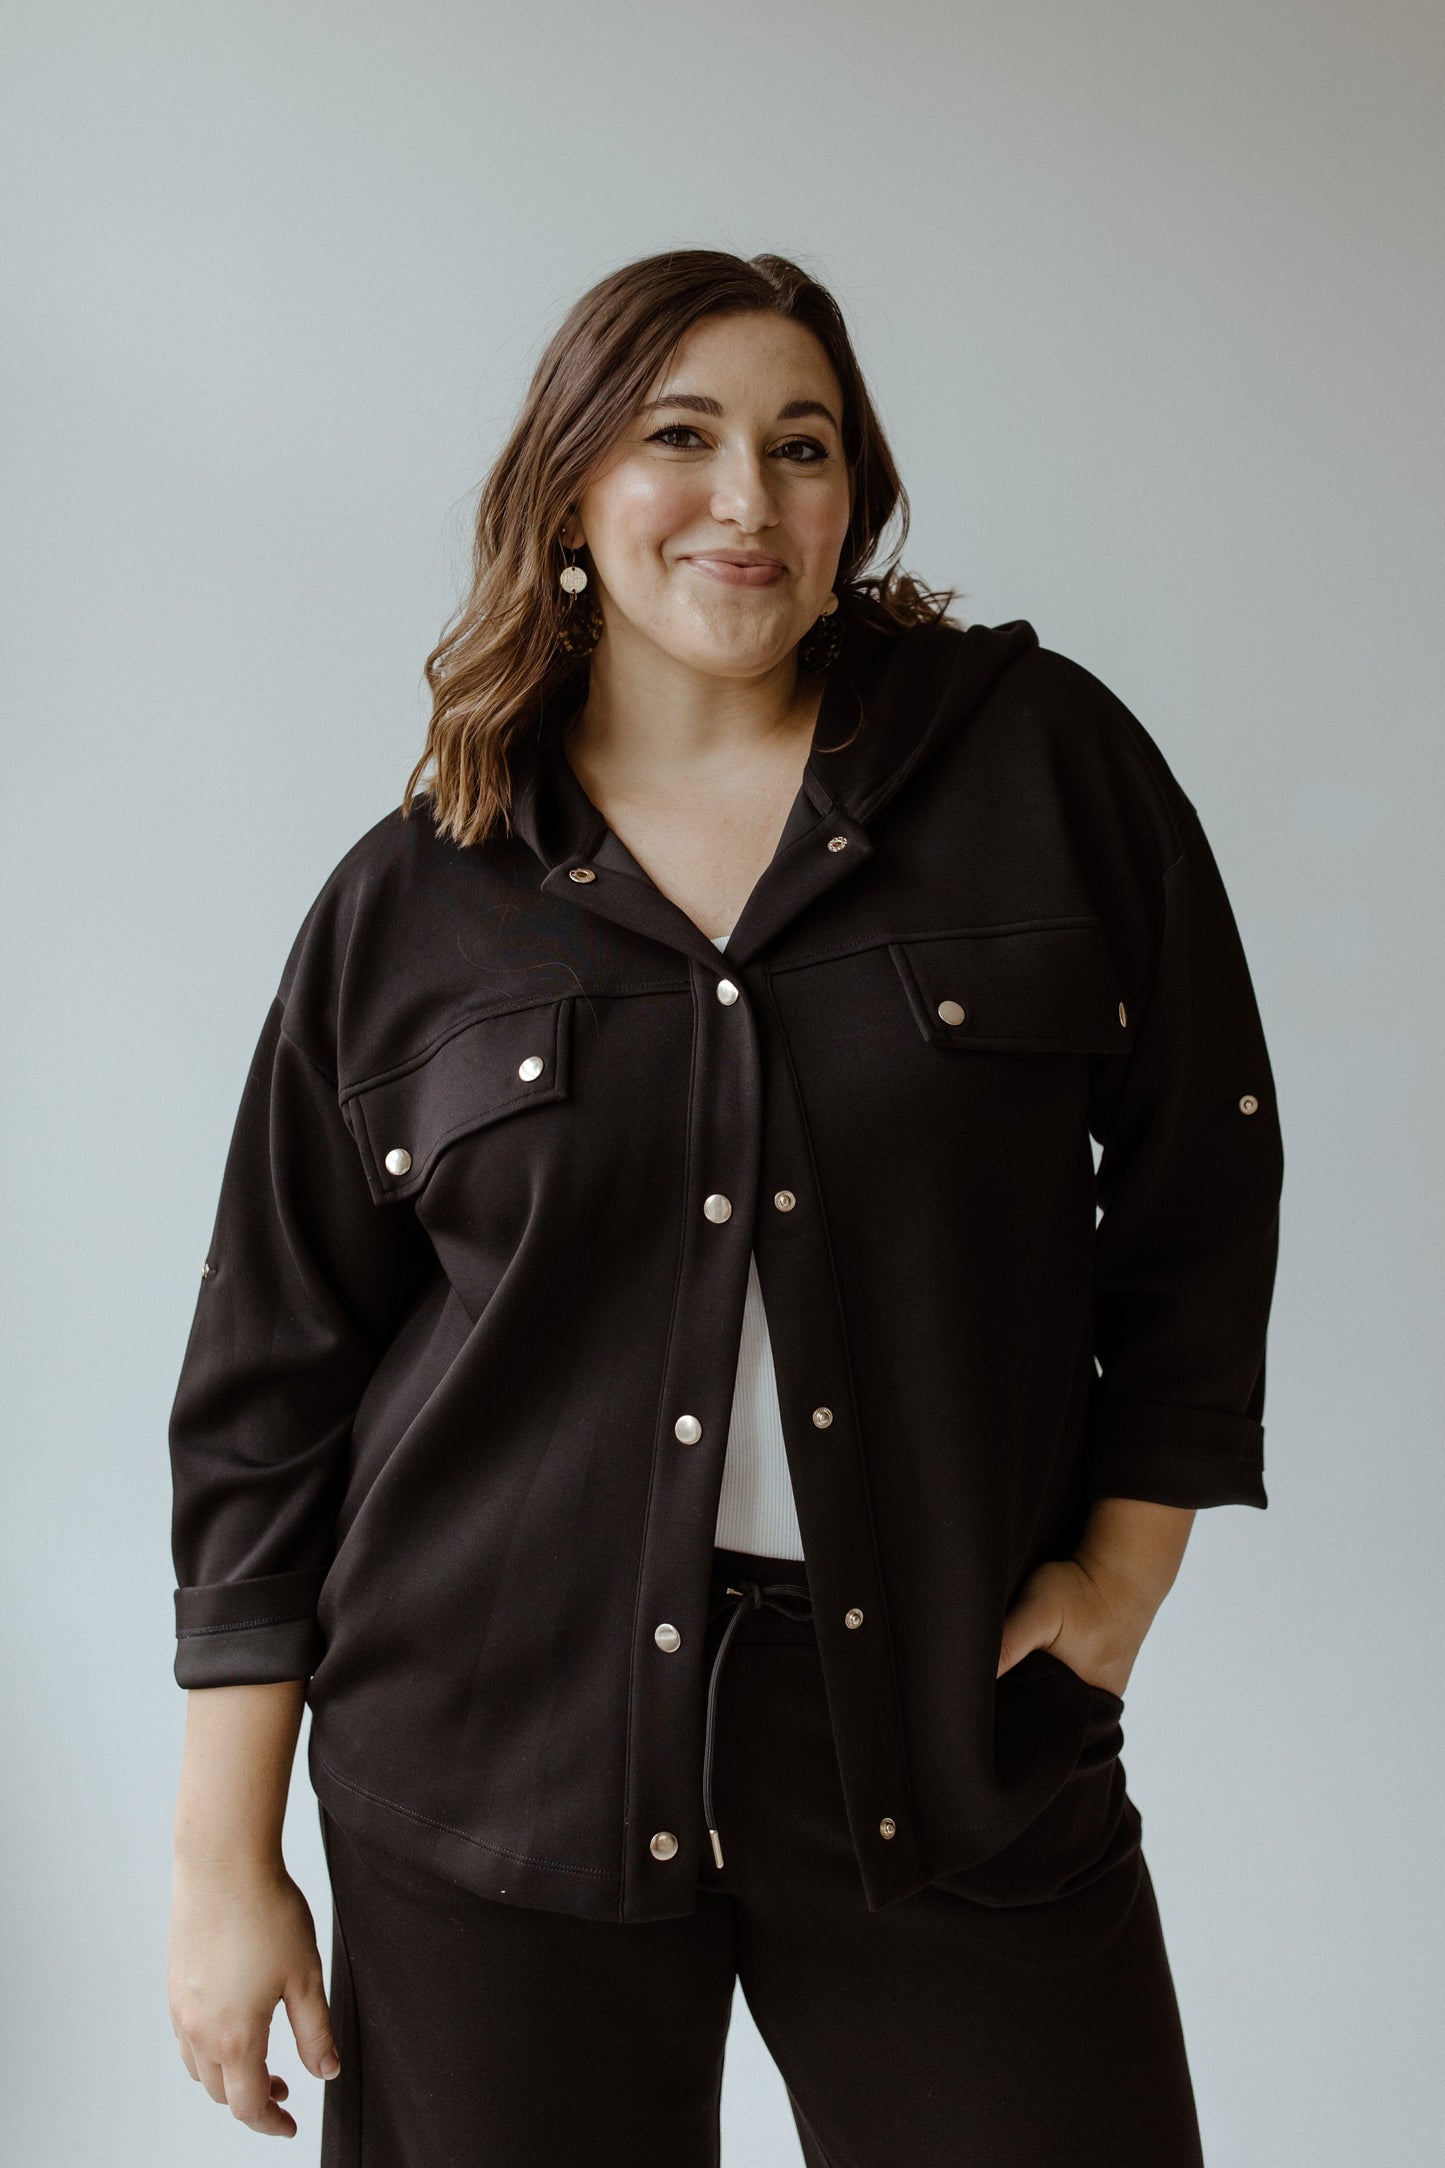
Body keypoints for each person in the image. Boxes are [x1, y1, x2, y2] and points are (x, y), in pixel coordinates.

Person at [165, 248, 1284, 2166]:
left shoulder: (1036, 765)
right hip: (486, 1755)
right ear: (574, 495)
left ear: (856, 500)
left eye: (803, 446)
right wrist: (220, 1863)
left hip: (951, 1730)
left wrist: (1122, 1575)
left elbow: (1203, 1172)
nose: (745, 500)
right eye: (680, 438)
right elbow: (268, 1383)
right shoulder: (413, 898)